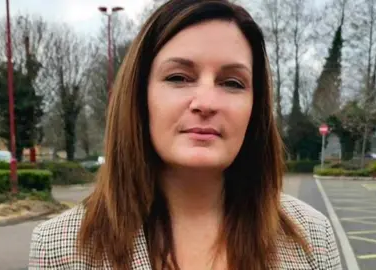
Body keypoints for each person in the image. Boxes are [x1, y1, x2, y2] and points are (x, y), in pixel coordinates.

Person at [29, 0, 341, 269]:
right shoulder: (61, 247)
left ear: (254, 108)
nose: (206, 103)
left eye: (232, 83)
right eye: (179, 77)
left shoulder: (313, 236)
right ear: (140, 96)